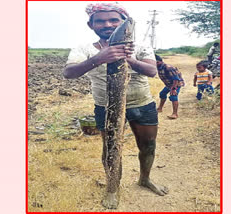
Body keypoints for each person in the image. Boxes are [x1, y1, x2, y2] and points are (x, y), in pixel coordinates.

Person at [63, 3, 168, 209]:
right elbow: (69, 73)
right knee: (110, 148)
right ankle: (112, 188)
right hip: (106, 106)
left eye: (114, 20)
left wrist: (128, 59)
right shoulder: (83, 49)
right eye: (100, 21)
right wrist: (99, 58)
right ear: (91, 25)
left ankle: (144, 178)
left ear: (123, 23)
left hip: (141, 104)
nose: (107, 24)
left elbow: (151, 71)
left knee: (148, 145)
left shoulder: (141, 46)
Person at [155, 54, 185, 119]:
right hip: (169, 84)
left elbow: (176, 79)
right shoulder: (158, 67)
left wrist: (173, 89)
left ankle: (175, 114)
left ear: (158, 62)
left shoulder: (168, 68)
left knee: (173, 96)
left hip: (176, 84)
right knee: (162, 94)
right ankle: (160, 108)